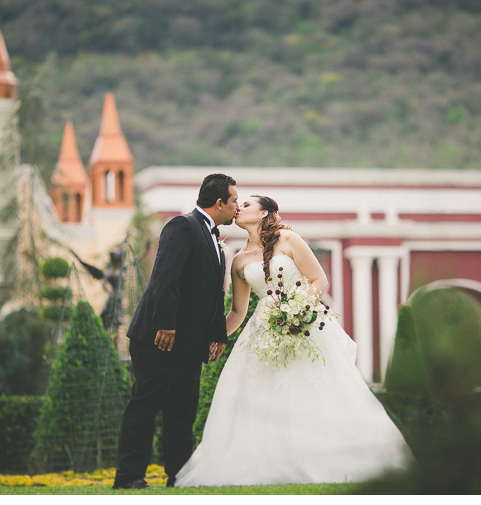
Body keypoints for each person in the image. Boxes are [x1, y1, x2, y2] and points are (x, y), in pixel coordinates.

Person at [174, 195, 413, 487]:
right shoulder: (238, 261)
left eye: (246, 205)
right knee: (260, 395)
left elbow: (319, 280)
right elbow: (237, 312)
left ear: (264, 214)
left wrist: (295, 312)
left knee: (316, 390)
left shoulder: (288, 240)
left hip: (303, 325)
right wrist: (215, 337)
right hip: (262, 331)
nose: (239, 208)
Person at [112, 173, 239, 490]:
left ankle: (179, 477)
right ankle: (129, 478)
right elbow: (165, 278)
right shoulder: (182, 226)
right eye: (235, 201)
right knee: (145, 405)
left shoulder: (216, 240)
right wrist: (165, 324)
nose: (238, 207)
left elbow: (213, 296)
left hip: (190, 345)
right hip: (159, 338)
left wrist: (218, 335)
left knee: (182, 412)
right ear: (219, 202)